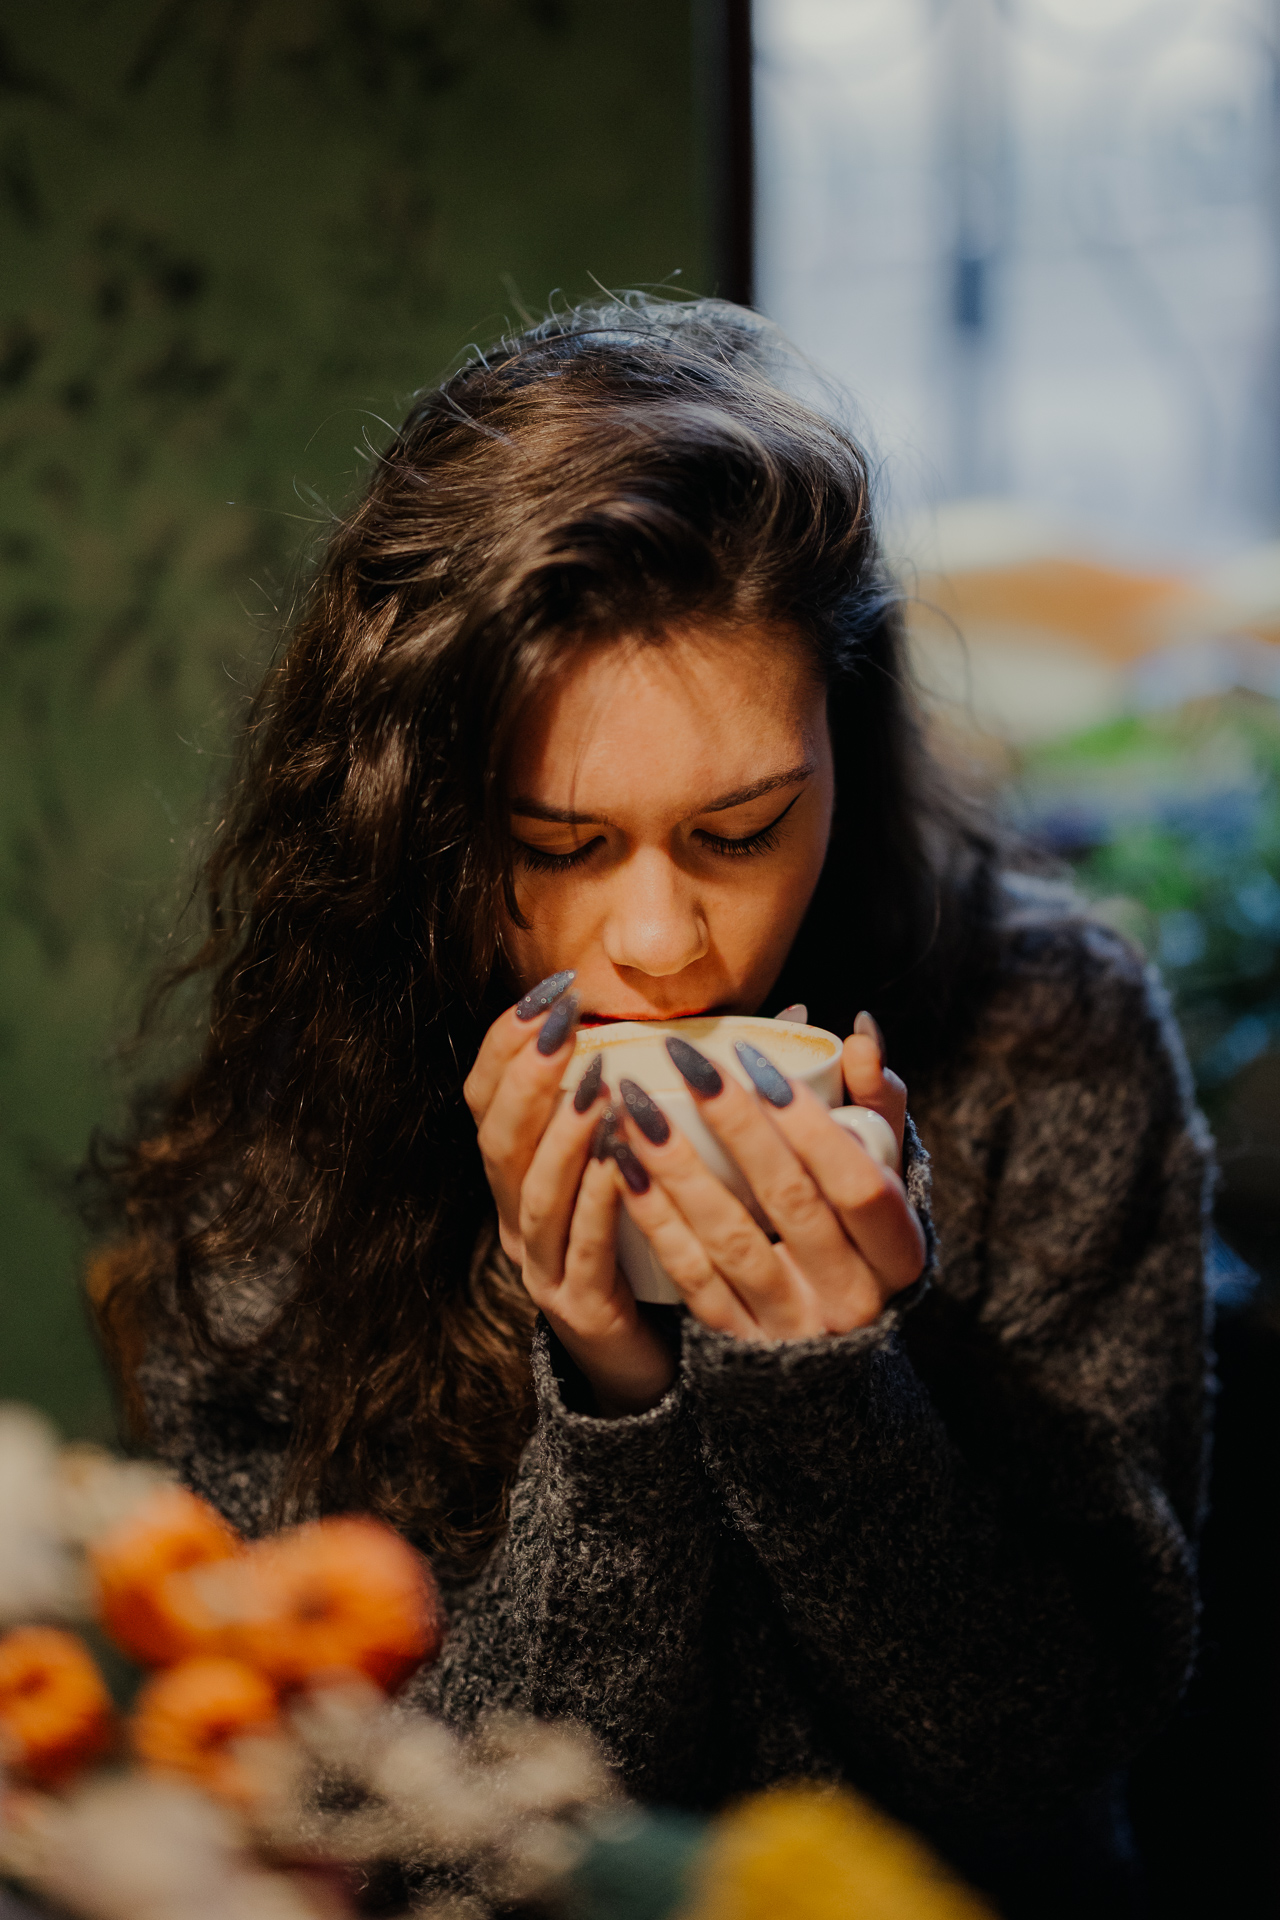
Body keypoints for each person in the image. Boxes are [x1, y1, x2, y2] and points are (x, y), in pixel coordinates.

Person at [89, 296, 1211, 1917]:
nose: (662, 947)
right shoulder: (297, 1139)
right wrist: (612, 1388)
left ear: (847, 746)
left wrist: (830, 1388)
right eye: (558, 848)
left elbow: (1046, 1765)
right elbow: (401, 1849)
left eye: (742, 830)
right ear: (421, 823)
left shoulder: (1048, 1041)